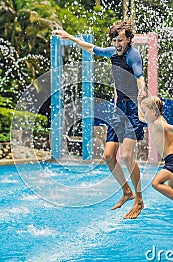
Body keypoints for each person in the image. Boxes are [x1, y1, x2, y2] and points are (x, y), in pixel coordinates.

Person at [52, 21, 147, 219]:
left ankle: (139, 200)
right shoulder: (112, 52)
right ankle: (126, 191)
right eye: (115, 39)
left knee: (127, 156)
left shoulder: (133, 55)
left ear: (129, 39)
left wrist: (143, 91)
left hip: (133, 110)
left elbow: (139, 76)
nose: (117, 43)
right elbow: (90, 48)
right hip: (118, 109)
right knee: (108, 156)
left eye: (120, 39)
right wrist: (69, 36)